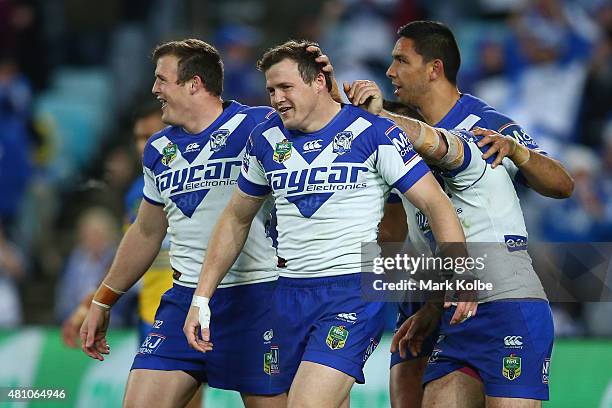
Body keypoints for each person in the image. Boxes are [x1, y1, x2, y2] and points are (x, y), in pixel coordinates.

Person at [183, 40, 475, 408]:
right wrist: (202, 297)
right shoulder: (265, 139)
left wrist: (460, 272)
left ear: (319, 82)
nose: (276, 98)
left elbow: (436, 203)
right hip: (286, 295)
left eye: (286, 87)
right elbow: (236, 218)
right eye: (271, 89)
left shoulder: (373, 132)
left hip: (350, 293)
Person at [339, 20, 572, 408]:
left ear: (434, 68)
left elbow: (563, 186)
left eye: (401, 60)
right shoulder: (400, 134)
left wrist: (517, 151)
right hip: (441, 296)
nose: (390, 71)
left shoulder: (482, 125)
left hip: (498, 290)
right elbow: (402, 230)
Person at [79, 39, 285, 408]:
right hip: (183, 299)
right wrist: (103, 299)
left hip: (258, 297)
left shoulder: (260, 124)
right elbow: (145, 231)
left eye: (162, 80)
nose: (154, 89)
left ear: (193, 83)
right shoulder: (158, 149)